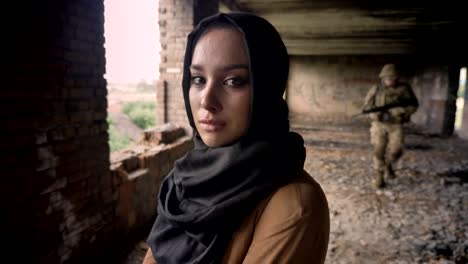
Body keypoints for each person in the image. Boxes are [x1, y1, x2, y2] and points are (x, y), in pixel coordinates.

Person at [142, 12, 330, 264]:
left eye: (233, 81)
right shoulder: (184, 180)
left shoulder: (294, 204)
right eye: (198, 79)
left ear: (267, 88)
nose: (207, 101)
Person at [362, 64, 419, 188]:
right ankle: (380, 177)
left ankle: (388, 165)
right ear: (382, 77)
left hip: (396, 125)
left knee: (396, 151)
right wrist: (374, 114)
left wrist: (401, 111)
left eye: (393, 77)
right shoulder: (376, 89)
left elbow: (414, 105)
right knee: (378, 151)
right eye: (387, 77)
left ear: (397, 78)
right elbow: (366, 107)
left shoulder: (404, 89)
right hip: (379, 125)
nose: (390, 80)